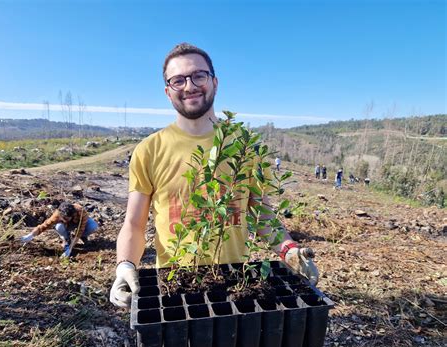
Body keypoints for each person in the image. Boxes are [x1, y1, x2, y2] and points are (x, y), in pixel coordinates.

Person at [109, 43, 319, 309]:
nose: (189, 86)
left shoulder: (245, 148)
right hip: (176, 287)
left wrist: (288, 249)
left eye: (199, 75)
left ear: (215, 82)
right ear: (167, 91)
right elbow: (134, 223)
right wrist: (125, 265)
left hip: (238, 286)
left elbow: (261, 213)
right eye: (178, 80)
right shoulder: (148, 150)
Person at [20, 201, 98, 257]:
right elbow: (44, 226)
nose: (64, 220)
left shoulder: (80, 212)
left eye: (67, 219)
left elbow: (80, 229)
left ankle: (83, 237)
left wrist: (70, 249)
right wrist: (30, 235)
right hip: (67, 226)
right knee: (59, 227)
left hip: (79, 224)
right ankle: (66, 239)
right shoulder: (57, 214)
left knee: (93, 226)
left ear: (72, 214)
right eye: (63, 218)